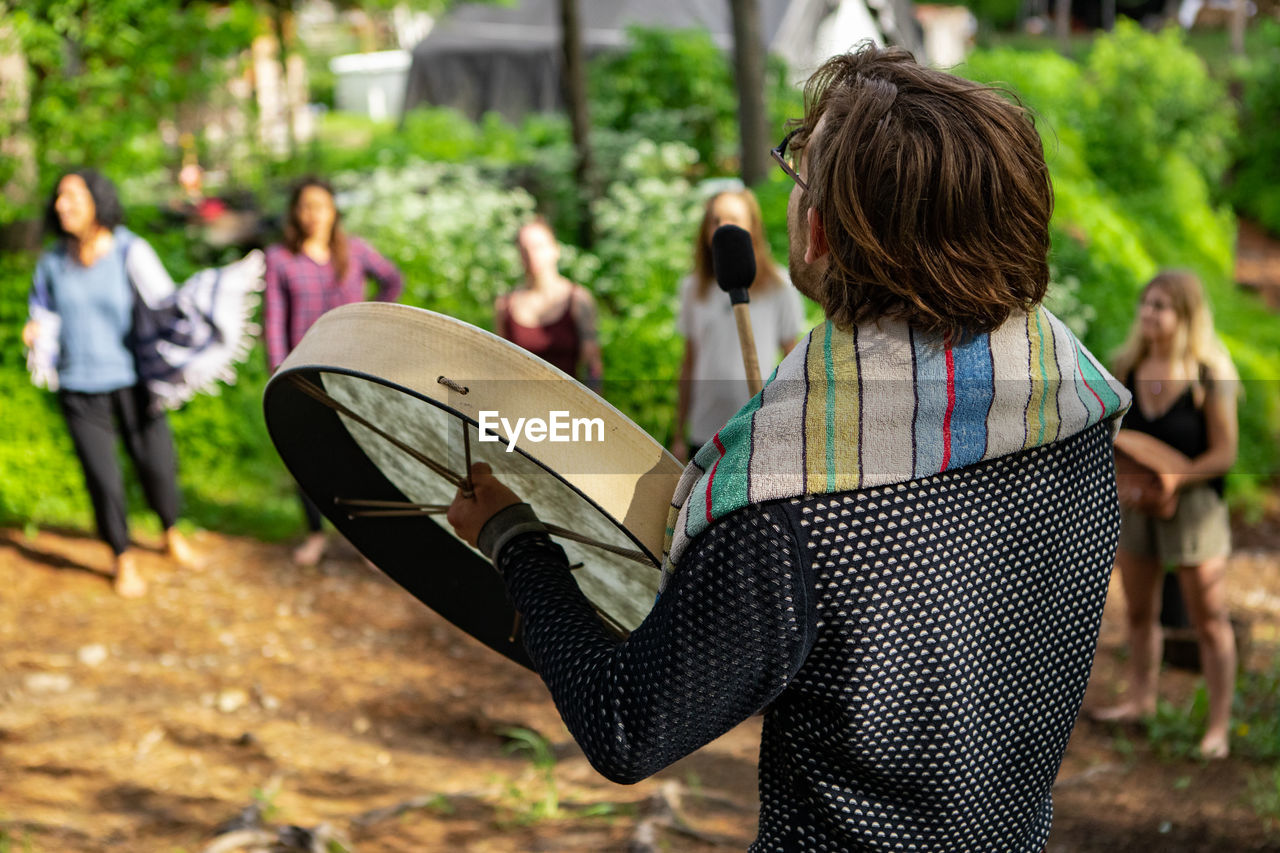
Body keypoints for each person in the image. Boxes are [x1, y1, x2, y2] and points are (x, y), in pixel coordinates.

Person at [448, 46, 1131, 850]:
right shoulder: (1074, 401)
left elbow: (628, 723)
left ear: (820, 234)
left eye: (800, 174)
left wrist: (514, 538)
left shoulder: (791, 506)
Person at [23, 170, 203, 597]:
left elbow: (165, 305)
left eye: (73, 197)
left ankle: (170, 531)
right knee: (102, 478)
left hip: (133, 382)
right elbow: (42, 311)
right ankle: (121, 556)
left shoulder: (129, 250)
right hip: (78, 386)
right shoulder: (51, 261)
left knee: (157, 466)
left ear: (98, 201)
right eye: (59, 197)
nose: (62, 205)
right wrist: (36, 332)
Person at [1092, 270, 1238, 759]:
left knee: (1209, 617)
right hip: (1137, 503)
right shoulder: (1127, 366)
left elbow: (1225, 454)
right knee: (1137, 611)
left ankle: (1218, 725)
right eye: (1146, 303)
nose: (1149, 313)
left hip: (1195, 508)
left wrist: (1177, 479)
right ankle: (1141, 700)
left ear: (1186, 315)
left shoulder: (1208, 374)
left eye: (1162, 306)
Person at [264, 177, 404, 566]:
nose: (313, 215)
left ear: (333, 211)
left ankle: (369, 539)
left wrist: (373, 321)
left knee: (362, 452)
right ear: (295, 212)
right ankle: (315, 534)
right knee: (307, 455)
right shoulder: (279, 258)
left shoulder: (355, 251)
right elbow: (274, 319)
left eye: (321, 206)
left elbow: (393, 279)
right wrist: (279, 371)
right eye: (305, 206)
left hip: (353, 369)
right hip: (304, 370)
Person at [672, 189, 804, 462]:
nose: (723, 228)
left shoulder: (779, 286)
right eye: (715, 221)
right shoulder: (694, 288)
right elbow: (689, 360)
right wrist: (677, 433)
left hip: (757, 431)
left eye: (733, 218)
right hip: (706, 432)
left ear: (752, 227)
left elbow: (792, 360)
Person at [495, 218, 603, 392]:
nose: (531, 254)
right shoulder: (505, 305)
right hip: (520, 411)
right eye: (524, 248)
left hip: (569, 408)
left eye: (538, 246)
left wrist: (592, 413)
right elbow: (499, 367)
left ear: (555, 249)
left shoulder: (578, 300)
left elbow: (593, 367)